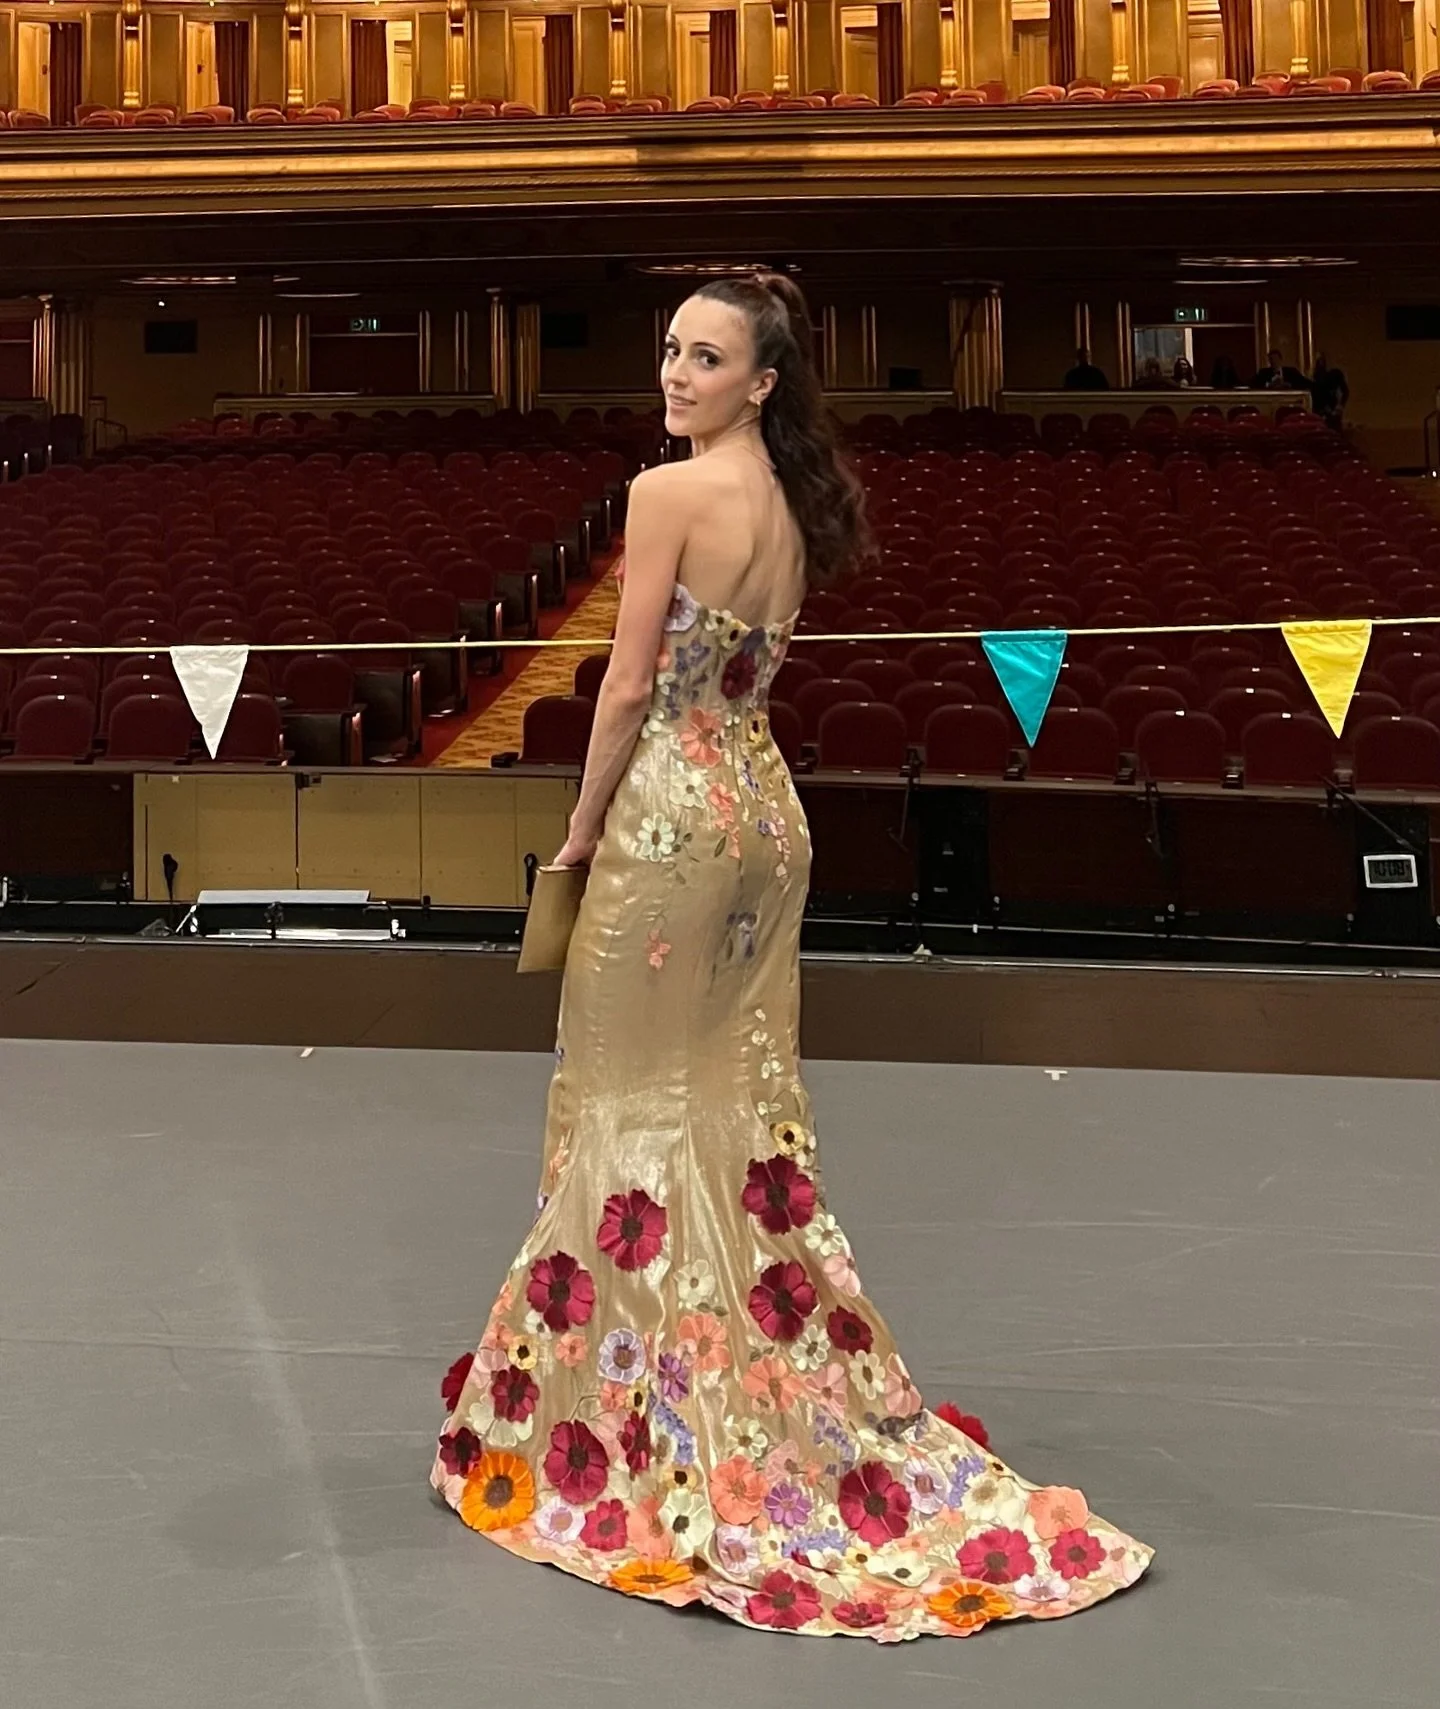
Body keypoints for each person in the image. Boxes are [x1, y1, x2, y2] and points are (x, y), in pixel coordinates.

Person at [430, 271, 1155, 1640]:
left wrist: (578, 838)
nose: (677, 374)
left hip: (673, 822)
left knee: (637, 1110)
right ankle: (741, 1365)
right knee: (728, 1108)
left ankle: (645, 1414)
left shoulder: (667, 495)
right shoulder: (796, 509)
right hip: (765, 815)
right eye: (670, 351)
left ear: (764, 378)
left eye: (707, 358)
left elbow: (633, 685)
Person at [1311, 353, 1349, 427]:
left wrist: (1339, 406)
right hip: (1320, 413)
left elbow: (1344, 392)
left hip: (1331, 412)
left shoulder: (1334, 376)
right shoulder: (1314, 382)